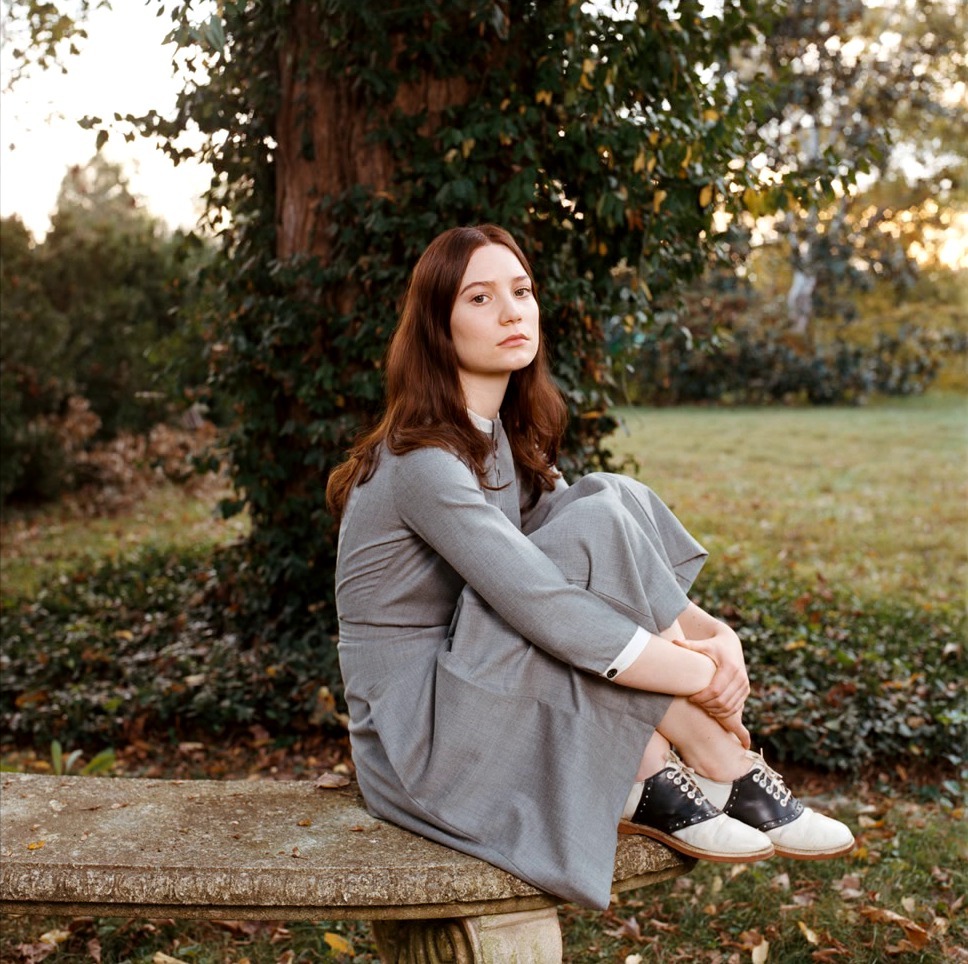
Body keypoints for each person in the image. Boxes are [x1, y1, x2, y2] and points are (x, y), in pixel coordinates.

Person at [325, 224, 854, 910]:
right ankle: (713, 758)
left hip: (474, 681)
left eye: (522, 292)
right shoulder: (423, 463)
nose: (513, 312)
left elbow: (597, 543)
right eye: (480, 299)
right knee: (582, 547)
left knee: (607, 497)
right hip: (419, 742)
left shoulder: (498, 441)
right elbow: (545, 605)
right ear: (436, 328)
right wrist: (700, 681)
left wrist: (718, 636)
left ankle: (669, 765)